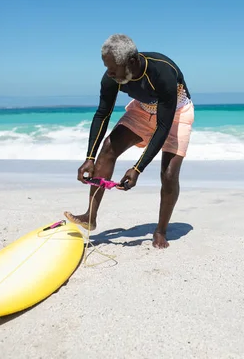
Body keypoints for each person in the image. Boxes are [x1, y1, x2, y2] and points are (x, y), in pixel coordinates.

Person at [64, 34, 195, 249]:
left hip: (177, 114)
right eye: (107, 68)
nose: (109, 74)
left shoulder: (162, 72)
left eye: (113, 69)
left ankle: (161, 230)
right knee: (108, 149)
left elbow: (163, 126)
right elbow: (102, 114)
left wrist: (137, 168)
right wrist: (89, 157)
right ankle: (90, 216)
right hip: (143, 110)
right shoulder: (112, 76)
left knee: (169, 174)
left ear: (131, 62)